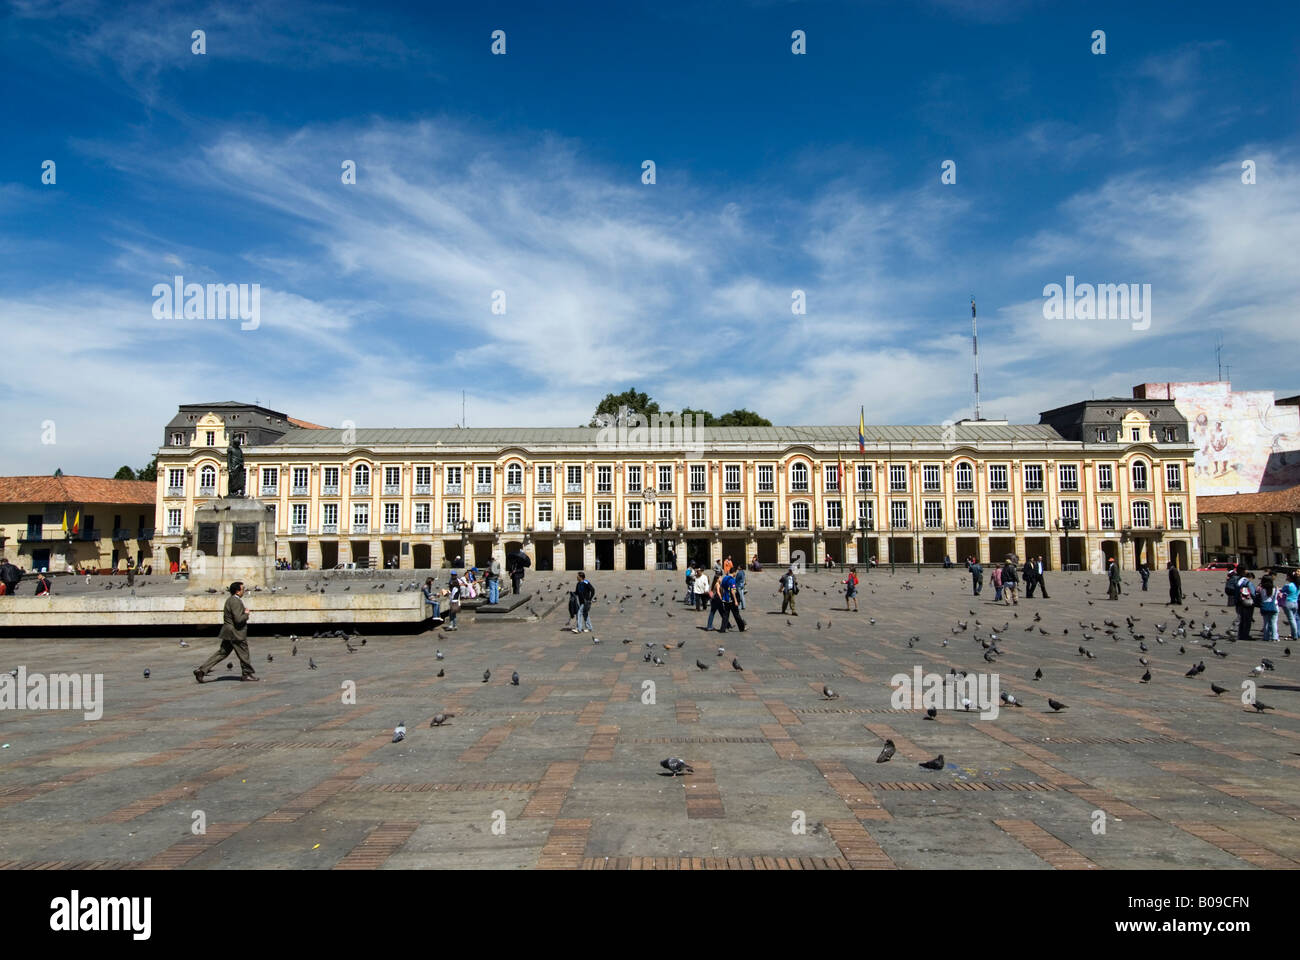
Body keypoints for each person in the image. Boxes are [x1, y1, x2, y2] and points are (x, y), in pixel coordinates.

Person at [195, 581, 257, 682]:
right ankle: (247, 674)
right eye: (243, 589)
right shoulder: (235, 601)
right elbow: (238, 619)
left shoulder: (230, 600)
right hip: (236, 633)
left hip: (229, 632)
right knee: (244, 653)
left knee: (222, 653)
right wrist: (246, 614)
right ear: (237, 591)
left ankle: (201, 670)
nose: (244, 591)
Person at [1256, 575, 1281, 642]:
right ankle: (1274, 637)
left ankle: (1266, 637)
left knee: (1266, 622)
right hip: (1274, 606)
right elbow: (1279, 596)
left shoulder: (1261, 589)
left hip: (1264, 607)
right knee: (1274, 623)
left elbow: (1256, 591)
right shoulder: (1275, 588)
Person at [1234, 566, 1254, 643]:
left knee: (1242, 619)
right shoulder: (1247, 582)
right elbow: (1252, 593)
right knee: (1247, 620)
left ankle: (1241, 634)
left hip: (1239, 602)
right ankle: (1245, 635)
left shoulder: (1237, 581)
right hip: (1247, 603)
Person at [1282, 572, 1300, 639]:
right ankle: (1294, 634)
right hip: (1295, 603)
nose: (1286, 578)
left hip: (1288, 603)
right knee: (1294, 619)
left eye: (1287, 576)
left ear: (1290, 577)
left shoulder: (1288, 585)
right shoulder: (1298, 586)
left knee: (1291, 619)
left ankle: (1295, 635)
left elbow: (1282, 591)